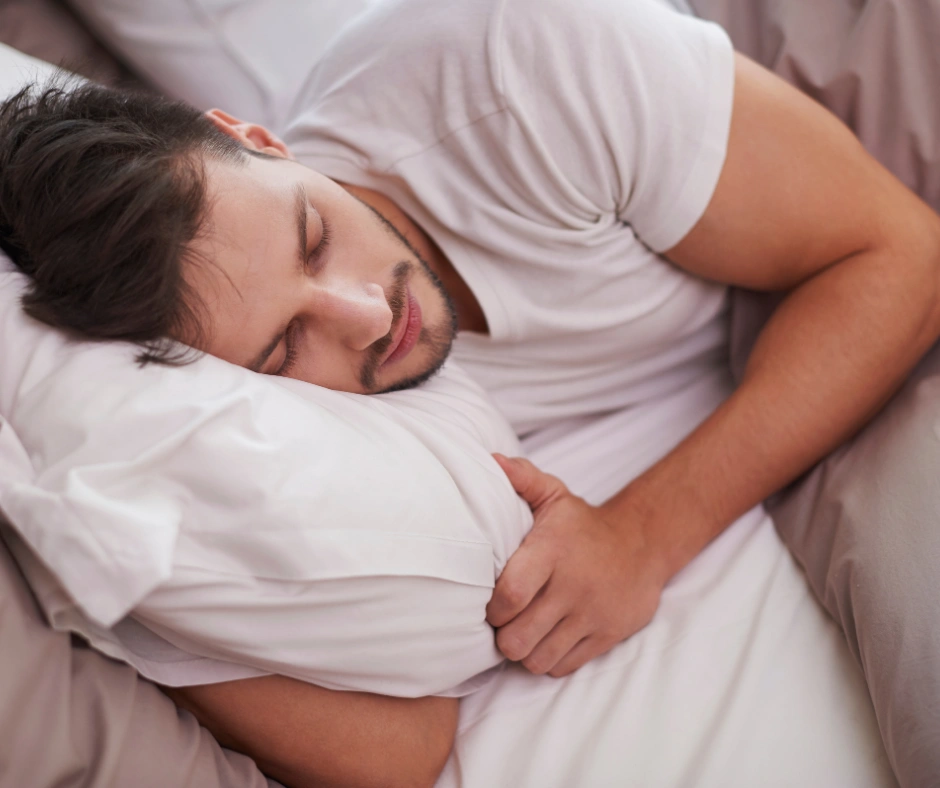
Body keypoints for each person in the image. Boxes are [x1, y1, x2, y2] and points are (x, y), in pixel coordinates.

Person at [1, 0, 939, 785]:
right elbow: (405, 751)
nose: (367, 314)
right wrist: (117, 587)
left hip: (791, 192)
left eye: (314, 238)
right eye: (285, 345)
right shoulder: (275, 429)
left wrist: (643, 535)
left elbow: (900, 254)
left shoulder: (519, 67)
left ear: (254, 138)